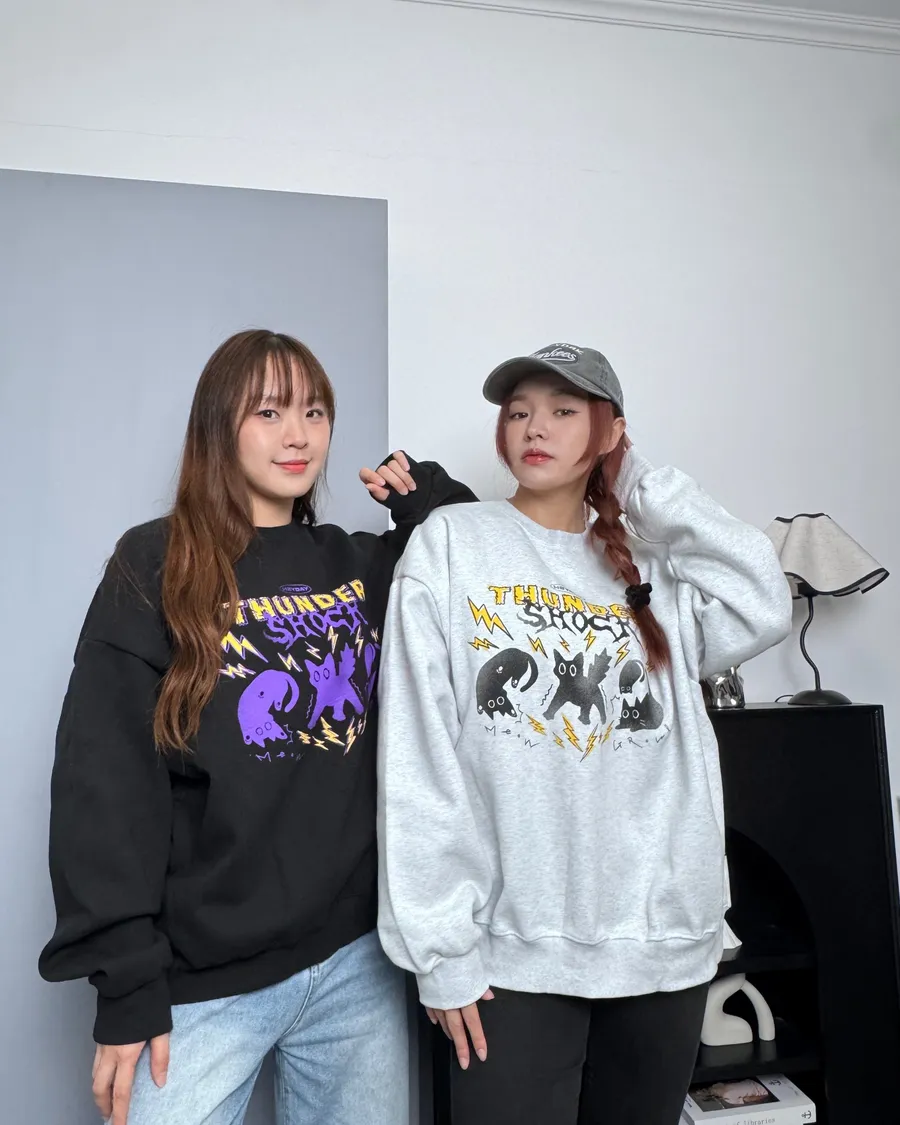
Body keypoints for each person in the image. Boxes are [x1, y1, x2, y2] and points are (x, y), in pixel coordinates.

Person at [38, 329, 476, 1125]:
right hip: (203, 977)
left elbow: (474, 566)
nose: (297, 434)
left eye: (314, 411)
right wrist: (126, 982)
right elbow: (104, 782)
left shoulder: (361, 566)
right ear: (220, 424)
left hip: (356, 964)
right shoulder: (156, 561)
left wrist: (427, 498)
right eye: (268, 412)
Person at [376, 342, 792, 1125]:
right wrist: (441, 950)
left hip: (662, 943)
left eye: (564, 411)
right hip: (511, 953)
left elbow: (764, 600)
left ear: (610, 432)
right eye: (519, 411)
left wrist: (642, 486)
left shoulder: (656, 564)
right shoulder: (452, 543)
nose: (535, 427)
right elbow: (418, 755)